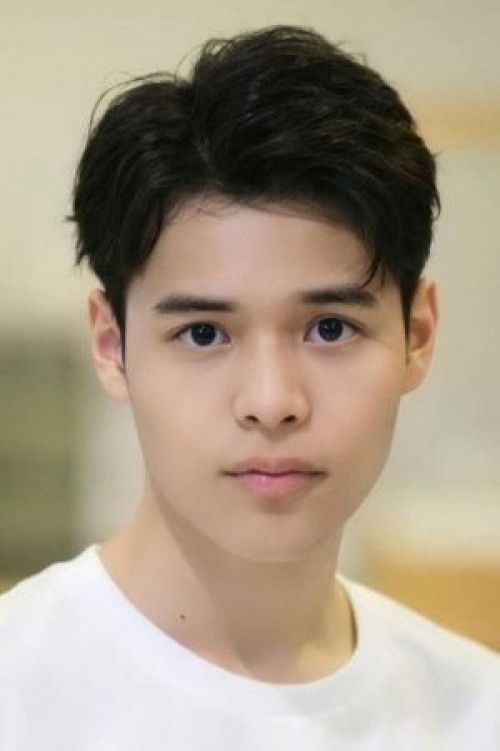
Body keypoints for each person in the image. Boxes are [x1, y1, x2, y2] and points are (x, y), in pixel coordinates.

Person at [0, 24, 498, 750]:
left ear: (417, 334)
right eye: (204, 333)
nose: (271, 402)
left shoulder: (476, 711)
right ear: (111, 344)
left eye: (329, 328)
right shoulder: (16, 690)